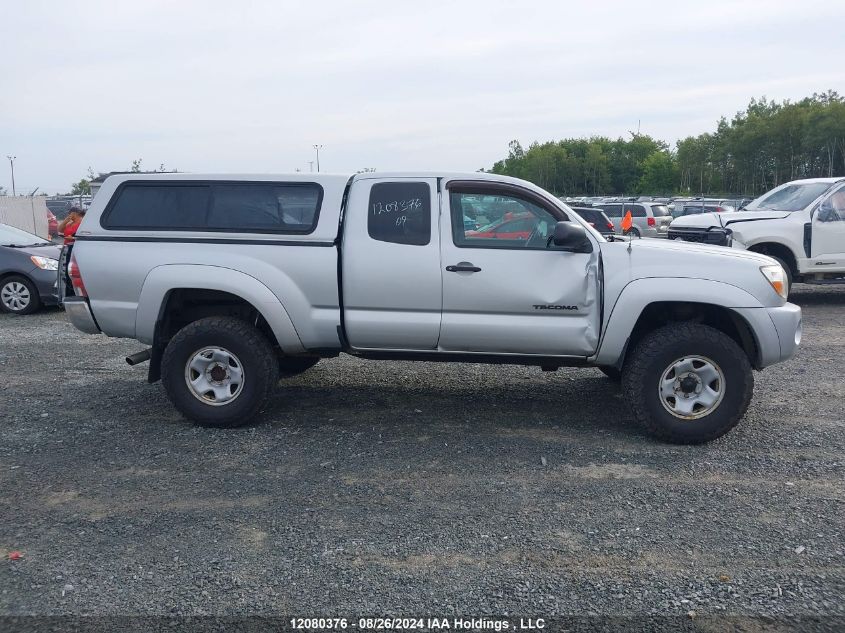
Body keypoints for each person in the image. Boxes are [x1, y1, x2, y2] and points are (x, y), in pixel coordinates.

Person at [58, 206, 85, 298]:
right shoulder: (70, 223)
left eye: (70, 213)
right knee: (67, 271)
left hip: (75, 248)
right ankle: (69, 292)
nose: (68, 215)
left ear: (75, 213)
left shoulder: (82, 223)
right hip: (67, 248)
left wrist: (73, 238)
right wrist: (66, 220)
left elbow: (84, 235)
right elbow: (60, 229)